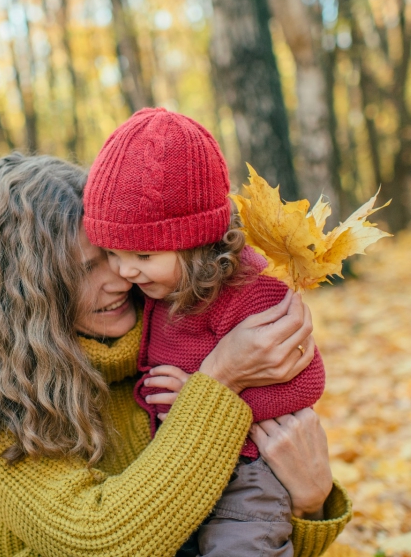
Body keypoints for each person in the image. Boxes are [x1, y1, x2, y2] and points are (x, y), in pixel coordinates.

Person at [0, 153, 351, 557]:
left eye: (116, 255)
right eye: (84, 270)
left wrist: (308, 505)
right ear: (23, 296)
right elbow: (100, 541)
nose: (118, 280)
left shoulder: (182, 344)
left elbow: (246, 530)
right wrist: (218, 383)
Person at [83, 108, 325, 556]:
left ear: (197, 239)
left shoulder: (247, 291)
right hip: (183, 471)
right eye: (111, 253)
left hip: (248, 477)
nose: (124, 271)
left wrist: (203, 395)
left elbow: (305, 384)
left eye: (141, 254)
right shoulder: (158, 287)